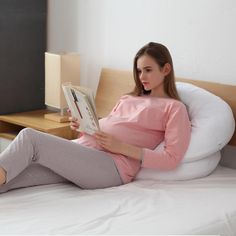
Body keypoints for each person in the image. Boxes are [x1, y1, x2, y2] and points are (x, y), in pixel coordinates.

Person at [0, 42, 191, 193]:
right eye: (139, 71)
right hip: (84, 152)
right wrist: (83, 126)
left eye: (148, 70)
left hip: (111, 167)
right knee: (17, 173)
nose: (142, 76)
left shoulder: (174, 108)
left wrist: (121, 147)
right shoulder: (128, 98)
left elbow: (172, 159)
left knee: (30, 138)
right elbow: (107, 129)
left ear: (165, 69)